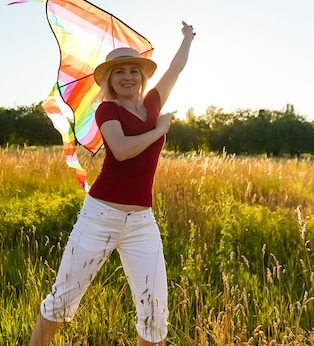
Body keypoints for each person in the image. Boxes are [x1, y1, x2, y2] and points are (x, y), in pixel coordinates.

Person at [29, 21, 195, 346]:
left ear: (142, 76)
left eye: (134, 70)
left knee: (154, 312)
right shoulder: (107, 109)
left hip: (141, 223)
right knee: (63, 300)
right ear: (109, 79)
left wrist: (188, 38)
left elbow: (176, 67)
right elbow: (121, 150)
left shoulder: (152, 104)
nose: (128, 76)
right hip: (100, 216)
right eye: (119, 72)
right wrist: (159, 131)